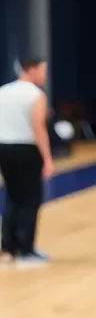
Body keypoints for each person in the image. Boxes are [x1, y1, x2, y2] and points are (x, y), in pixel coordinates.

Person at [0, 56, 53, 267]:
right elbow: (38, 126)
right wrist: (47, 157)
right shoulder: (35, 94)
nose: (44, 74)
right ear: (30, 70)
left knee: (13, 196)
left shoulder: (3, 91)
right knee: (30, 198)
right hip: (26, 149)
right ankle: (25, 250)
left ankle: (7, 247)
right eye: (42, 70)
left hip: (3, 148)